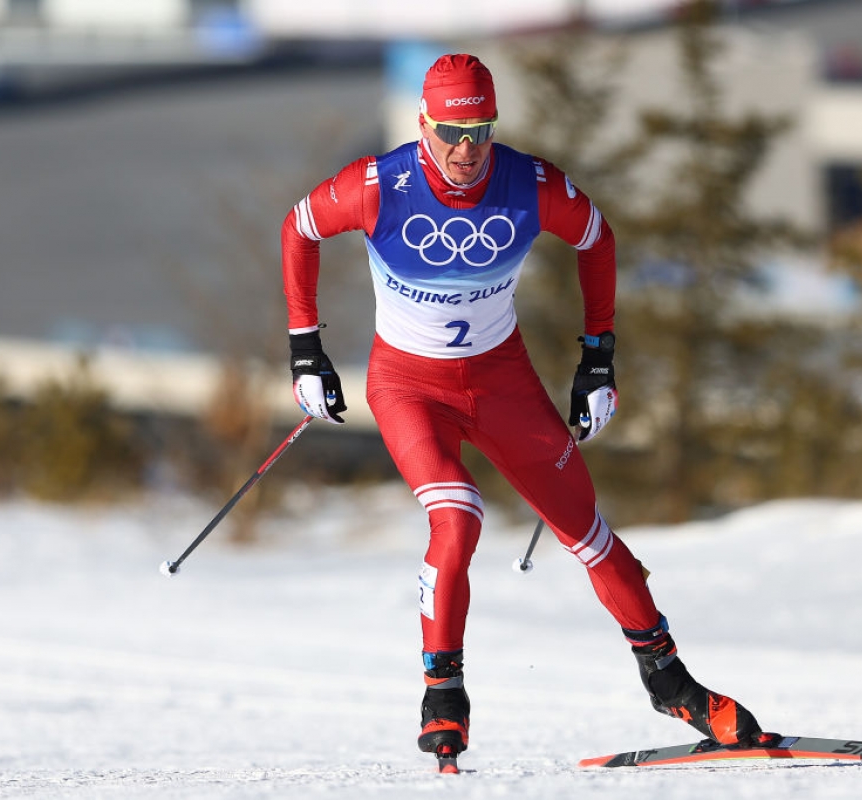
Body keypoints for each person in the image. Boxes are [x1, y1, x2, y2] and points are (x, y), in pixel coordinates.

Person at [280, 53, 770, 764]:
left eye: (481, 129)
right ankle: (442, 694)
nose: (466, 149)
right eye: (451, 131)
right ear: (423, 123)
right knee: (457, 516)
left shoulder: (530, 183)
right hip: (409, 385)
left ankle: (671, 683)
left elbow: (597, 238)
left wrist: (597, 358)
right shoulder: (376, 185)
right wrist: (306, 351)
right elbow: (299, 229)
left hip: (502, 382)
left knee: (591, 535)